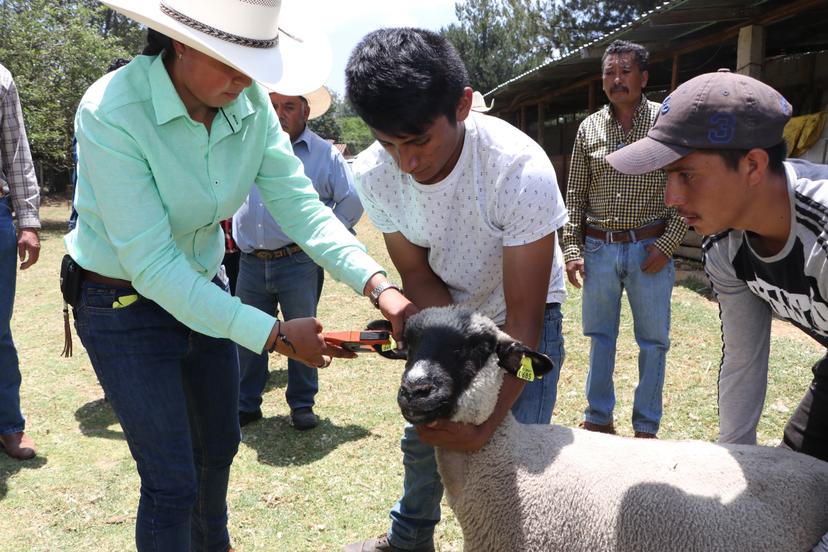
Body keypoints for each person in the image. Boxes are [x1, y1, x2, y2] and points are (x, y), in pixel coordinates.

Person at [66, 1, 413, 550]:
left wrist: (380, 286)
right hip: (122, 305)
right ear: (181, 42)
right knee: (172, 481)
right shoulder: (112, 111)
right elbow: (153, 266)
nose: (243, 78)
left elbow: (301, 205)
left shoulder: (249, 102)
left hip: (205, 288)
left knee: (219, 449)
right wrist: (273, 335)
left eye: (253, 61)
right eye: (229, 60)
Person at [343, 28, 567, 552]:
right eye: (387, 143)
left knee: (511, 455)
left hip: (519, 317)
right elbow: (416, 274)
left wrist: (486, 421)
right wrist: (448, 357)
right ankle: (409, 538)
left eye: (419, 140)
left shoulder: (518, 169)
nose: (407, 163)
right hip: (446, 311)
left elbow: (526, 317)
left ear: (463, 105)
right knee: (427, 437)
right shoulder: (374, 174)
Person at [606, 69, 828, 462]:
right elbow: (743, 360)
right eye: (668, 176)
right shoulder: (725, 243)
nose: (671, 197)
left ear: (753, 167)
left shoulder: (822, 235)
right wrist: (734, 468)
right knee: (792, 482)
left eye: (686, 174)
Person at [562, 39, 687, 439]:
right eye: (609, 73)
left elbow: (686, 189)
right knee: (600, 338)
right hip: (599, 249)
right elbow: (575, 195)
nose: (617, 80)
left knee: (653, 341)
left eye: (625, 71)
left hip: (649, 248)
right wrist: (572, 248)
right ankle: (599, 418)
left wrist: (666, 247)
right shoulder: (589, 129)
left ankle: (646, 425)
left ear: (643, 77)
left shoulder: (665, 126)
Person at [234, 86, 363, 429]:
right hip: (250, 260)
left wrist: (319, 239)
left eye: (289, 106)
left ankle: (302, 405)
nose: (279, 113)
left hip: (297, 261)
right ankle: (246, 403)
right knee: (249, 334)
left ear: (306, 112)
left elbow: (351, 200)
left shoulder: (324, 154)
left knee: (304, 332)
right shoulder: (248, 146)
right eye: (273, 105)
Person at [0, 62, 40, 460]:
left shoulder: (1, 78)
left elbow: (16, 151)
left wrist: (27, 220)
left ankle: (9, 424)